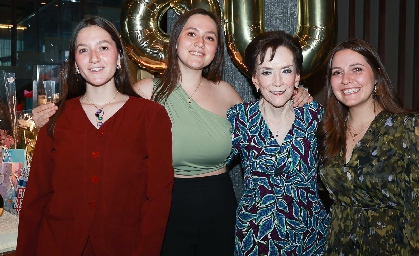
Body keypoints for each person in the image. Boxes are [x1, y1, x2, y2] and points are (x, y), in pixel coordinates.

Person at [30, 9, 312, 255]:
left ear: (217, 49)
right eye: (191, 33)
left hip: (219, 205)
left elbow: (265, 126)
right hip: (166, 209)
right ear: (175, 39)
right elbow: (101, 112)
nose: (200, 43)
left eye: (210, 37)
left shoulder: (227, 94)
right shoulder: (146, 92)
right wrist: (53, 115)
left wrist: (299, 96)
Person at [16, 16, 174, 255]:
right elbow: (36, 198)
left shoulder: (151, 116)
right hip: (56, 245)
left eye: (103, 47)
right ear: (76, 64)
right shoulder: (56, 118)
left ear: (119, 57)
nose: (94, 58)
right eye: (83, 50)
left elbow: (158, 200)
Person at [317, 38, 419, 255]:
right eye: (337, 72)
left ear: (376, 76)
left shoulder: (410, 129)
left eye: (356, 69)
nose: (346, 79)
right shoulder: (328, 133)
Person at [227, 31, 329, 255]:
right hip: (256, 237)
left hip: (309, 236)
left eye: (286, 71)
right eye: (266, 72)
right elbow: (209, 164)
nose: (278, 82)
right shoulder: (240, 118)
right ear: (254, 78)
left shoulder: (315, 117)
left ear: (297, 76)